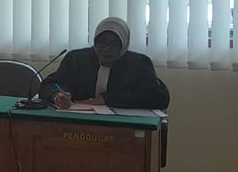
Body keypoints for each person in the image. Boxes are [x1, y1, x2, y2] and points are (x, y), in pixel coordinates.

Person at [40, 17, 169, 109]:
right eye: (102, 42)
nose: (107, 48)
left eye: (114, 43)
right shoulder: (76, 59)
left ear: (124, 44)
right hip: (78, 124)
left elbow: (159, 97)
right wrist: (58, 96)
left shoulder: (139, 64)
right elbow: (50, 84)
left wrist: (106, 99)